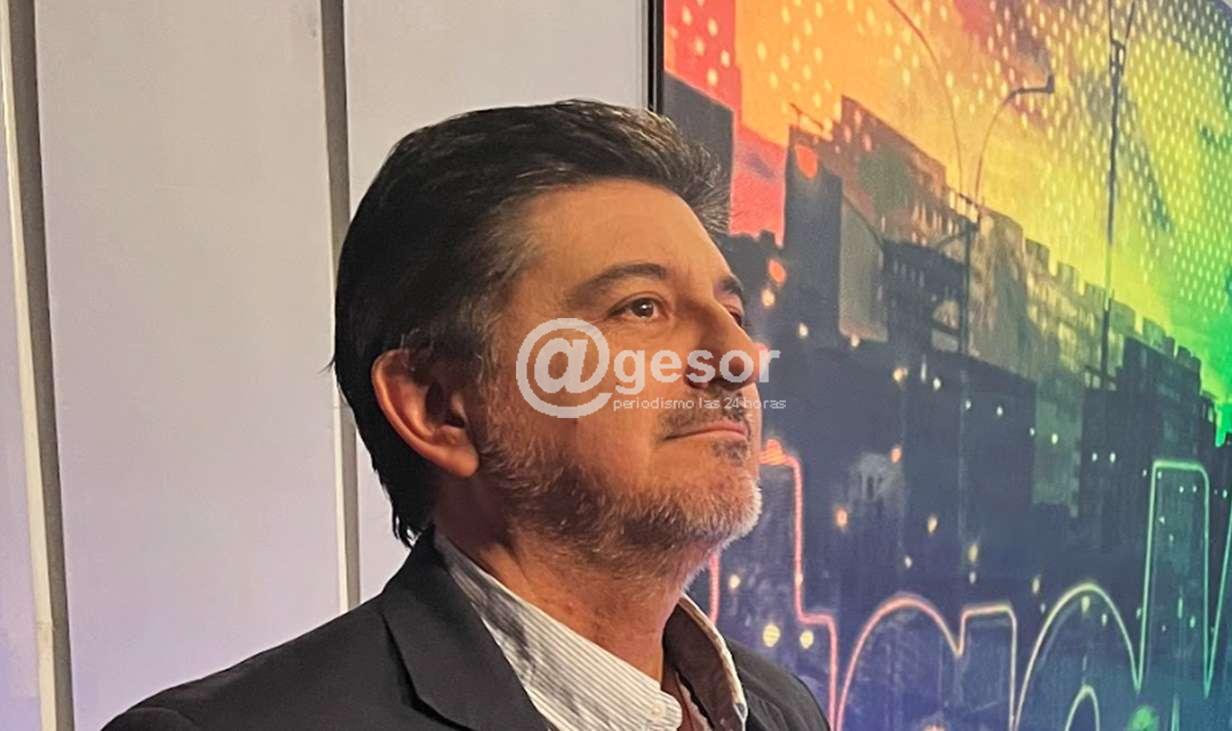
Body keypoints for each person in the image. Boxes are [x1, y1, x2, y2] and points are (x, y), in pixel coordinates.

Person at [106, 100, 829, 730]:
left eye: (732, 313)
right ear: (438, 408)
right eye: (641, 307)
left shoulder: (779, 706)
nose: (739, 356)